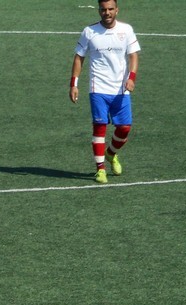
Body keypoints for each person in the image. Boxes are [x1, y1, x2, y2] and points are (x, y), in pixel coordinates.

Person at [69, 0, 140, 184]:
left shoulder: (126, 30)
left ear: (117, 10)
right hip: (98, 88)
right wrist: (74, 84)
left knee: (124, 128)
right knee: (100, 127)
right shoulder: (89, 32)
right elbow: (79, 57)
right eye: (103, 9)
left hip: (121, 89)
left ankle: (111, 153)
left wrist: (131, 77)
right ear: (99, 10)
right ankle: (100, 169)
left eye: (110, 9)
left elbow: (133, 55)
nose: (107, 13)